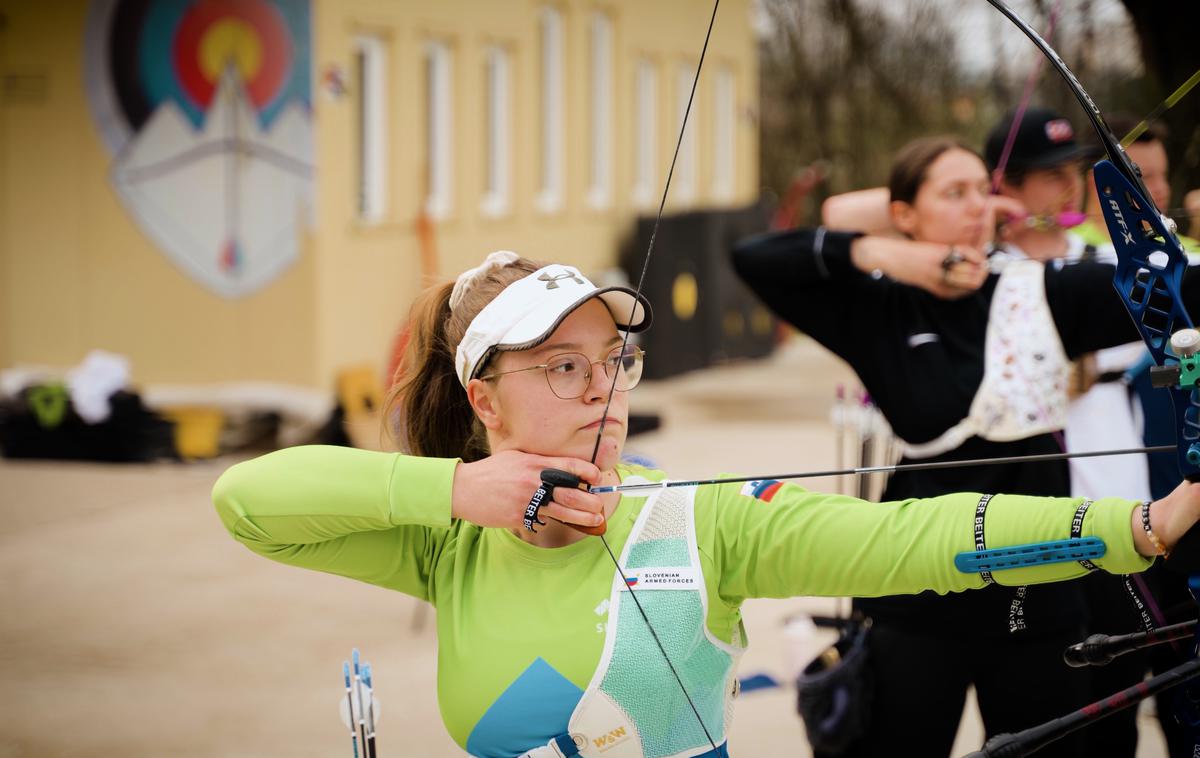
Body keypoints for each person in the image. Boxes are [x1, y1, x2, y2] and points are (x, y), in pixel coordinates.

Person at [215, 250, 1199, 758]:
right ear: (484, 398)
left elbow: (916, 536)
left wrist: (1139, 526)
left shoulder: (703, 518)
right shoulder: (448, 544)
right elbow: (247, 501)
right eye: (562, 366)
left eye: (614, 360)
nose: (604, 388)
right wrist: (458, 488)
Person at [733, 133, 1200, 757]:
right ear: (903, 214)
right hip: (917, 601)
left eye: (985, 190)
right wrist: (893, 254)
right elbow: (755, 255)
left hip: (1040, 597)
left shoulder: (1040, 289)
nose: (979, 205)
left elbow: (1177, 287)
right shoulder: (880, 304)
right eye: (955, 193)